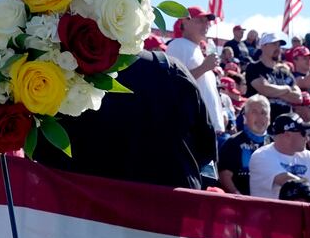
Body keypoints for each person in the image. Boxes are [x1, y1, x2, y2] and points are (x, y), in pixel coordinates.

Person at [34, 47, 215, 189]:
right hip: (161, 222)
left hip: (84, 221)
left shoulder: (57, 77)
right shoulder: (171, 70)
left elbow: (42, 154)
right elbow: (205, 149)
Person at [247, 115, 310, 204]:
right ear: (287, 135)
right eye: (303, 133)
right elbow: (291, 182)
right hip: (268, 221)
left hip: (300, 219)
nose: (307, 138)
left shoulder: (309, 157)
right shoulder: (262, 156)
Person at [166, 8, 226, 138]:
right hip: (192, 129)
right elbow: (174, 83)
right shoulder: (177, 45)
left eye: (207, 21)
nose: (206, 24)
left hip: (208, 129)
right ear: (185, 23)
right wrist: (204, 67)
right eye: (200, 20)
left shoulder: (197, 49)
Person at [216, 95, 271, 195]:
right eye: (254, 112)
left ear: (269, 118)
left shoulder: (275, 144)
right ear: (245, 117)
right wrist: (239, 197)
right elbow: (225, 176)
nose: (260, 117)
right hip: (241, 204)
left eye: (263, 113)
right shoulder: (232, 143)